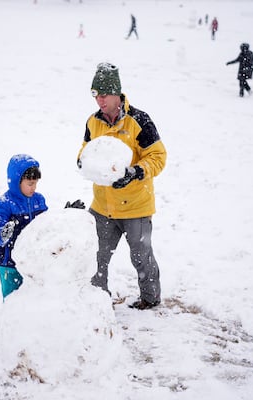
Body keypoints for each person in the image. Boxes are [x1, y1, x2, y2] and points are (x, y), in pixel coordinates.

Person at [78, 62, 167, 310]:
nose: (100, 101)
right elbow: (85, 151)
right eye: (96, 95)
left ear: (117, 93)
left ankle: (150, 298)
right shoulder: (93, 122)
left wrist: (136, 172)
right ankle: (97, 300)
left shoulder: (139, 121)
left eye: (104, 95)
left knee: (141, 257)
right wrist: (82, 162)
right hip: (102, 205)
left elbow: (158, 157)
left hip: (136, 206)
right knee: (96, 256)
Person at [0, 154, 48, 299]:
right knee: (13, 298)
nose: (33, 188)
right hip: (9, 263)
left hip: (31, 261)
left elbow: (47, 226)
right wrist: (3, 234)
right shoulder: (4, 203)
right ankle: (10, 321)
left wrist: (66, 214)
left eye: (35, 183)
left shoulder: (38, 200)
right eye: (30, 184)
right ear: (17, 181)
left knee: (32, 297)